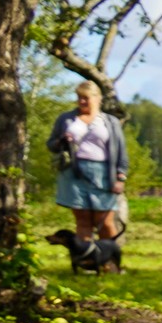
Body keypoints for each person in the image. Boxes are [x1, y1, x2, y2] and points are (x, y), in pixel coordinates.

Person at [47, 81, 128, 243]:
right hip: (73, 172)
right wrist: (61, 141)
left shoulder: (110, 121)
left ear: (98, 98)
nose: (81, 101)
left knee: (104, 220)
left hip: (103, 173)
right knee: (83, 220)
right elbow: (51, 144)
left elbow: (121, 151)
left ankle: (110, 263)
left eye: (86, 97)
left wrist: (121, 176)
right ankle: (87, 262)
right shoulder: (66, 119)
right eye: (79, 97)